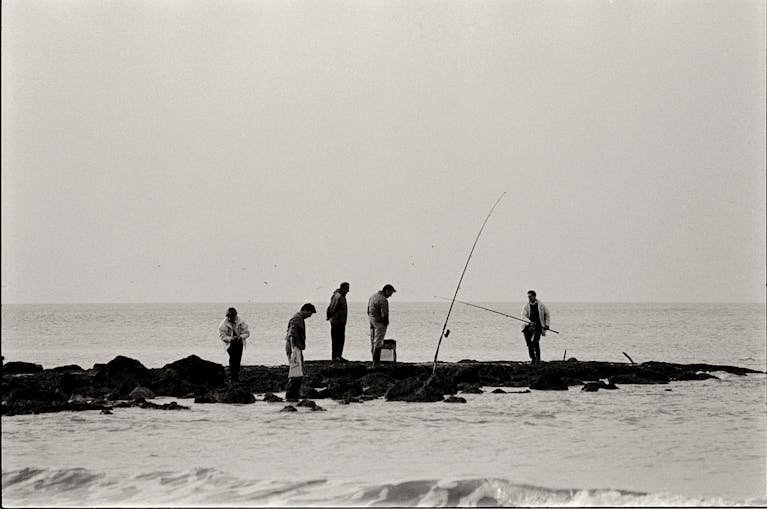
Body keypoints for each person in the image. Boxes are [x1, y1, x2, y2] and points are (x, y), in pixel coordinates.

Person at [285, 303, 317, 401]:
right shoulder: (297, 319)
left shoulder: (299, 318)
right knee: (295, 371)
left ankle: (294, 394)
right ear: (305, 310)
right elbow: (291, 335)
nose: (310, 316)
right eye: (310, 313)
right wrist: (294, 349)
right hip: (294, 346)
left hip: (296, 346)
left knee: (298, 371)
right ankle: (291, 395)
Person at [218, 307, 250, 384]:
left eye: (233, 316)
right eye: (229, 316)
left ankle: (236, 377)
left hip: (239, 342)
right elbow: (222, 336)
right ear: (227, 316)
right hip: (229, 344)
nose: (231, 318)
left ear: (235, 315)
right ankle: (233, 378)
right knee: (233, 359)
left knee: (238, 360)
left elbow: (247, 333)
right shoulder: (223, 325)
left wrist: (240, 337)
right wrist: (231, 339)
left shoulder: (241, 322)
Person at [367, 284, 396, 368]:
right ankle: (376, 363)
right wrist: (386, 323)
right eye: (390, 292)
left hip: (372, 321)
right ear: (386, 290)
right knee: (379, 342)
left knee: (373, 341)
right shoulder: (383, 300)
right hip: (380, 324)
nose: (390, 295)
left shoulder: (373, 297)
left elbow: (367, 311)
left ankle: (374, 361)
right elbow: (385, 315)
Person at [521, 290, 550, 364]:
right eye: (528, 297)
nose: (529, 298)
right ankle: (533, 359)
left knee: (535, 342)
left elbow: (547, 314)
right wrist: (529, 322)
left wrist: (547, 324)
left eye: (530, 296)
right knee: (529, 343)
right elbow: (523, 316)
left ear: (534, 296)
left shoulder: (541, 305)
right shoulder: (526, 306)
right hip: (527, 326)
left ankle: (538, 358)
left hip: (538, 326)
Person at [326, 282, 350, 361]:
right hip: (336, 321)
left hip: (341, 321)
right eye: (347, 288)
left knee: (340, 339)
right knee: (336, 339)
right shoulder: (338, 296)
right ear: (343, 288)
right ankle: (336, 356)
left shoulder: (341, 296)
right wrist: (330, 317)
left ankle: (338, 356)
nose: (348, 290)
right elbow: (332, 307)